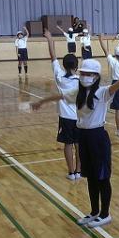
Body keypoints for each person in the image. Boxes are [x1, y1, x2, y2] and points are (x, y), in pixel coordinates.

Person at [31, 58, 119, 228]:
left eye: (88, 74)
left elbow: (114, 87)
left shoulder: (102, 93)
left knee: (102, 177)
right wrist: (41, 102)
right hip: (83, 137)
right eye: (83, 73)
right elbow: (60, 96)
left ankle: (105, 214)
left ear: (96, 76)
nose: (84, 76)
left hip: (98, 138)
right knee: (90, 177)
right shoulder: (78, 93)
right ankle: (94, 211)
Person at [43, 29, 81, 180]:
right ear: (76, 66)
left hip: (65, 118)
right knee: (79, 144)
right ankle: (79, 171)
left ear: (64, 66)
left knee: (68, 144)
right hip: (79, 118)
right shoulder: (80, 81)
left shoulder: (59, 76)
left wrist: (50, 39)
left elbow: (53, 56)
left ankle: (71, 173)